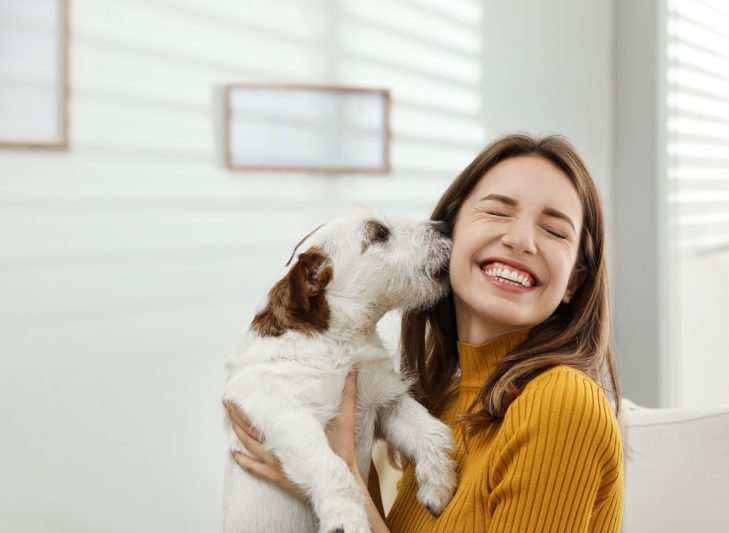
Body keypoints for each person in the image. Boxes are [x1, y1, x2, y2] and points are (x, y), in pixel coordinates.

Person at [225, 133, 624, 532]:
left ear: (574, 281)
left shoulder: (562, 402)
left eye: (555, 231)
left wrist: (342, 477)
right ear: (451, 229)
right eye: (498, 212)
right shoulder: (446, 402)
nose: (520, 240)